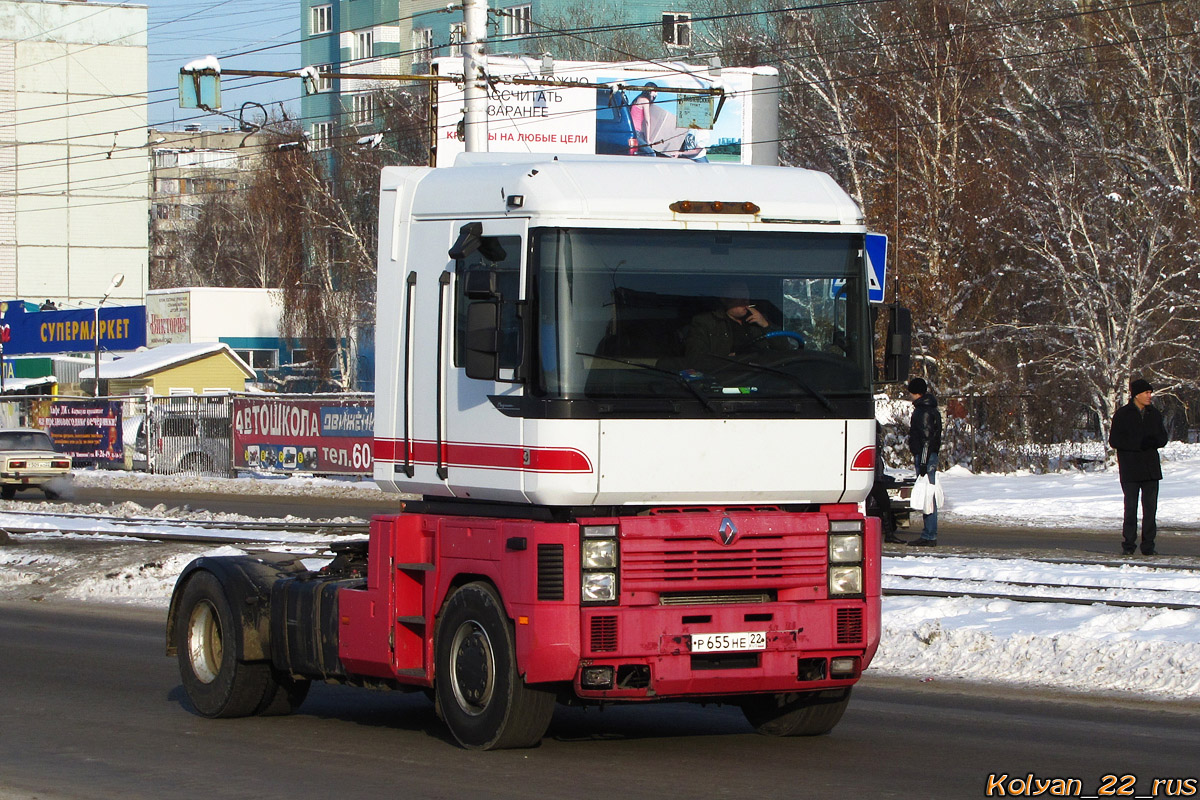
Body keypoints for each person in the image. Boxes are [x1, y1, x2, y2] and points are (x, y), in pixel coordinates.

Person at [1108, 378, 1169, 556]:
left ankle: (1148, 545)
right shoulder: (1123, 414)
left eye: (1150, 393)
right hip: (1131, 469)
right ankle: (1128, 545)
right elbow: (1115, 441)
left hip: (1151, 470)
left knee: (1150, 509)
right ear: (1136, 395)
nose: (1150, 396)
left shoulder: (1154, 414)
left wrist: (1153, 441)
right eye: (1146, 393)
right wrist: (1138, 443)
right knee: (1131, 508)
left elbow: (1163, 438)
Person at [683, 282, 783, 361]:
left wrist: (765, 325)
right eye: (739, 295)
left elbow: (784, 350)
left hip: (762, 375)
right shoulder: (706, 322)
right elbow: (695, 358)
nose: (745, 300)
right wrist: (729, 359)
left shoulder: (758, 320)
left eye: (747, 295)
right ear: (725, 299)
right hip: (727, 377)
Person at [905, 377, 942, 547]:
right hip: (929, 455)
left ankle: (929, 534)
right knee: (929, 495)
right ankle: (929, 533)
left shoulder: (923, 411)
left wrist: (923, 462)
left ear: (915, 392)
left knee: (928, 496)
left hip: (925, 456)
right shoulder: (931, 408)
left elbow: (926, 438)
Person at [866, 423, 906, 544]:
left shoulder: (870, 433)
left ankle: (885, 533)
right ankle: (887, 534)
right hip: (872, 473)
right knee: (882, 503)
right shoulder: (869, 433)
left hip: (873, 473)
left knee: (879, 503)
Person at [630, 83, 657, 151]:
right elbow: (647, 121)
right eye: (655, 91)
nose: (656, 94)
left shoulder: (637, 99)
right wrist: (647, 140)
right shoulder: (645, 101)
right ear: (649, 91)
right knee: (650, 152)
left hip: (632, 130)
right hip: (636, 132)